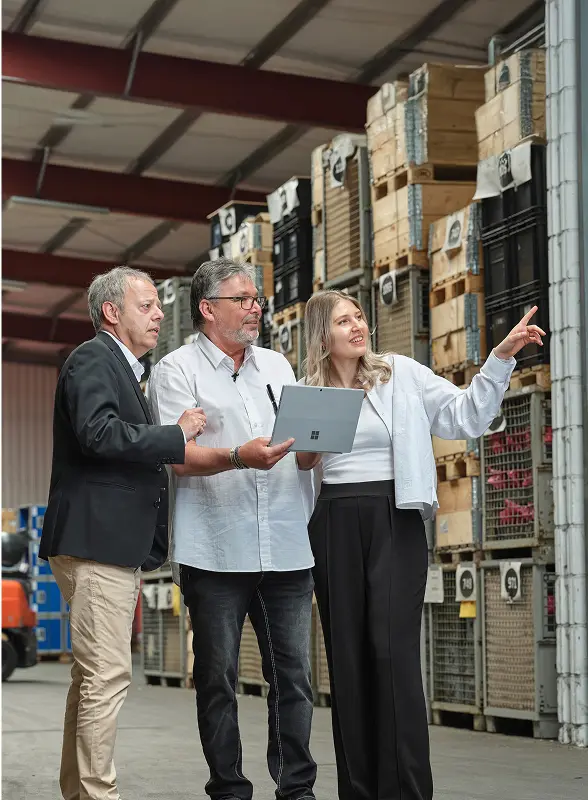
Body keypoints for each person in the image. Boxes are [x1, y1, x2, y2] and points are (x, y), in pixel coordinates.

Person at [296, 290, 545, 800]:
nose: (358, 327)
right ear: (323, 335)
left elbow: (465, 417)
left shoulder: (400, 374)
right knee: (346, 658)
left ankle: (409, 790)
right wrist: (311, 437)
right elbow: (302, 468)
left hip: (396, 517)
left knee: (391, 652)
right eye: (344, 321)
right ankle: (358, 791)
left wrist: (500, 358)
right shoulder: (308, 391)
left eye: (360, 316)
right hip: (334, 521)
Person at [147, 258, 318, 800]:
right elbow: (178, 456)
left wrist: (317, 441)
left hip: (287, 544)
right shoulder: (176, 370)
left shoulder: (277, 365)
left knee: (292, 678)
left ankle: (297, 788)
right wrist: (240, 458)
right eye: (243, 299)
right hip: (217, 549)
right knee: (217, 678)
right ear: (207, 308)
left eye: (257, 299)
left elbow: (298, 445)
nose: (256, 308)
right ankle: (229, 788)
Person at [39, 266, 206, 800]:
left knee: (91, 679)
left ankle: (80, 792)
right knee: (108, 677)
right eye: (148, 305)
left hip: (103, 545)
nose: (160, 314)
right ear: (112, 312)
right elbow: (97, 432)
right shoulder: (93, 358)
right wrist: (173, 435)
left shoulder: (127, 371)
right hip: (96, 544)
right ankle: (97, 794)